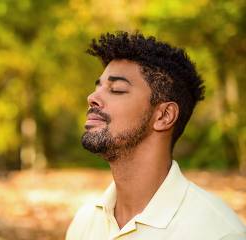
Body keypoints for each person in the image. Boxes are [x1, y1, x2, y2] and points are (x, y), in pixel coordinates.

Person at [66, 31, 246, 240]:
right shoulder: (84, 223)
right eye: (98, 87)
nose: (92, 97)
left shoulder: (218, 232)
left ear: (164, 116)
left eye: (116, 89)